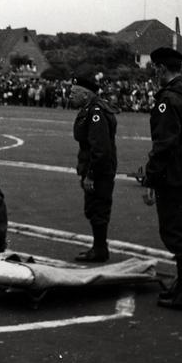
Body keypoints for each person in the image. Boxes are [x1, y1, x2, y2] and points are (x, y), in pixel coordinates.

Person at [143, 47, 182, 312]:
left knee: (176, 231)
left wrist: (150, 179)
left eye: (154, 69)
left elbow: (164, 144)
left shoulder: (168, 98)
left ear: (160, 68)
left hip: (174, 171)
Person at [70, 77, 118, 262]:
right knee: (94, 208)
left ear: (85, 94)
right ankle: (99, 247)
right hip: (95, 167)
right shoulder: (91, 108)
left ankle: (100, 249)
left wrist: (91, 174)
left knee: (98, 208)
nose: (71, 96)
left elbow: (100, 148)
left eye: (75, 93)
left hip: (98, 170)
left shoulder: (95, 111)